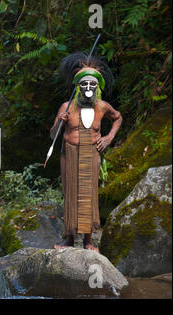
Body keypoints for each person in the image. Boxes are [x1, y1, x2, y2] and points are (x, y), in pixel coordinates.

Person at [50, 52, 122, 252]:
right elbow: (53, 135)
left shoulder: (102, 107)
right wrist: (59, 122)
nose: (88, 88)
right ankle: (70, 239)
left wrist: (108, 137)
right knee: (71, 193)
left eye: (92, 85)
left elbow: (118, 118)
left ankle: (89, 240)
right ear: (78, 86)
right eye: (84, 84)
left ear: (97, 87)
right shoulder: (67, 107)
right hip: (69, 154)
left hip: (91, 154)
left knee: (88, 194)